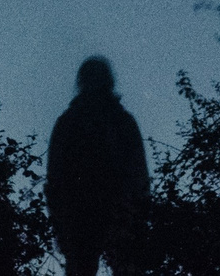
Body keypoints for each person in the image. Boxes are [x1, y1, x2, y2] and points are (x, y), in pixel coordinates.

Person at [46, 55, 151, 275]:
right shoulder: (120, 121)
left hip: (87, 212)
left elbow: (54, 177)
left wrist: (59, 220)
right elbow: (139, 174)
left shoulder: (71, 121)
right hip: (99, 211)